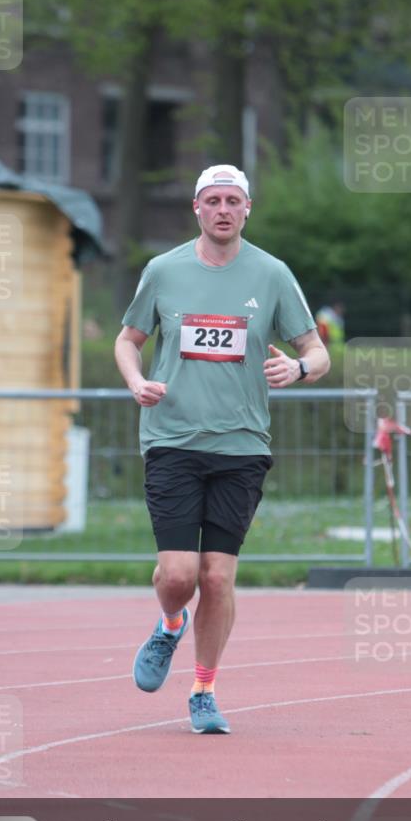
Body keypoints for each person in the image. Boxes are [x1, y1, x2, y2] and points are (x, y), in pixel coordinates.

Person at [114, 164, 330, 734]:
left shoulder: (272, 273)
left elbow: (317, 351)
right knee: (179, 575)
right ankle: (169, 624)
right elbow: (127, 340)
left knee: (216, 578)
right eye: (213, 200)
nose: (223, 210)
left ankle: (204, 690)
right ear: (197, 208)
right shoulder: (164, 271)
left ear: (247, 208)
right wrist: (136, 381)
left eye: (233, 200)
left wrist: (299, 367)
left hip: (241, 446)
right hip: (172, 440)